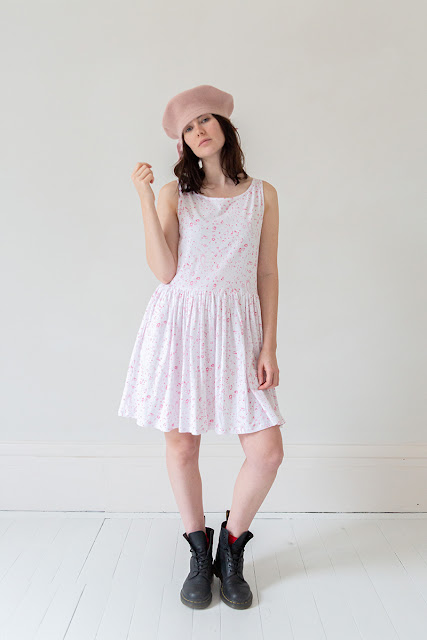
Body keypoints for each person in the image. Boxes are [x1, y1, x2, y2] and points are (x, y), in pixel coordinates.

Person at [118, 84, 286, 610]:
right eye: (189, 128)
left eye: (205, 120)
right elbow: (165, 271)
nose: (200, 131)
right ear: (183, 143)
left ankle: (231, 551)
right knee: (182, 446)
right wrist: (146, 199)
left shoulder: (263, 194)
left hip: (239, 332)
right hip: (181, 327)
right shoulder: (175, 195)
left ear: (224, 127)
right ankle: (198, 552)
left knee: (267, 452)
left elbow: (266, 272)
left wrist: (269, 345)